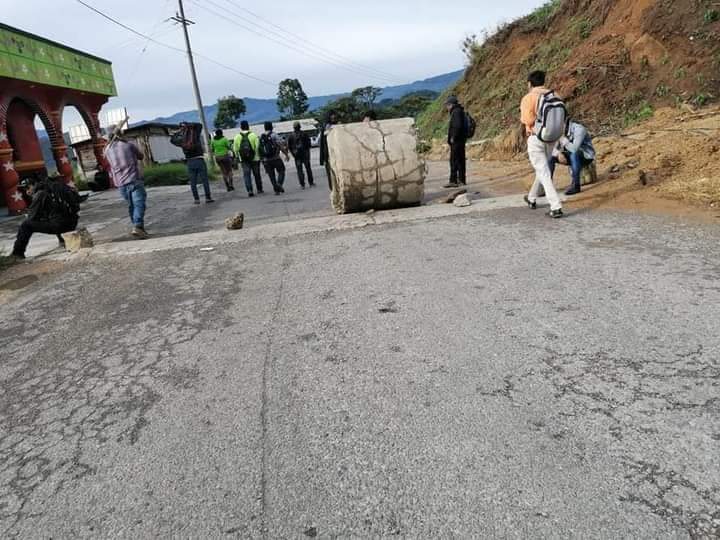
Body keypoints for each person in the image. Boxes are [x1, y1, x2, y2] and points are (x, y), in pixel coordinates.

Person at [521, 70, 564, 218]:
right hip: (552, 138)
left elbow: (527, 120)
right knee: (542, 169)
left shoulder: (529, 98)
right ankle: (532, 198)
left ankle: (555, 206)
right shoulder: (554, 95)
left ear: (530, 83)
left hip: (536, 137)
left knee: (543, 172)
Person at [11, 176, 79, 259]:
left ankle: (17, 254)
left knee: (25, 225)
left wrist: (28, 212)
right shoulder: (51, 188)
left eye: (27, 188)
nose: (27, 191)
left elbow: (31, 217)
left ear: (33, 185)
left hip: (61, 226)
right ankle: (63, 240)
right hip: (72, 223)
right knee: (54, 215)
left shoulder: (39, 194)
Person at [103, 124, 149, 239]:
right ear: (120, 133)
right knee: (139, 204)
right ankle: (138, 226)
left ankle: (138, 228)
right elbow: (141, 156)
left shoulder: (107, 150)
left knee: (132, 205)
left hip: (120, 184)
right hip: (134, 179)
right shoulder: (128, 145)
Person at [549, 119, 596, 196]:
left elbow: (574, 148)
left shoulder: (579, 129)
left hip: (586, 156)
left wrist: (562, 139)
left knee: (574, 154)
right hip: (570, 154)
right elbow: (551, 148)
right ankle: (547, 186)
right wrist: (558, 154)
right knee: (550, 157)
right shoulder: (559, 131)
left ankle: (576, 185)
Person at [176, 122, 214, 205]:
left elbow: (172, 140)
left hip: (189, 161)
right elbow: (199, 125)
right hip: (199, 160)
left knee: (193, 182)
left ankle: (196, 199)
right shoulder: (195, 135)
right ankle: (208, 198)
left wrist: (178, 131)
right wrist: (188, 124)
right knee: (204, 180)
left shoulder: (181, 139)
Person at [233, 120, 264, 197]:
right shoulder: (254, 135)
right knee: (257, 174)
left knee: (246, 175)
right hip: (255, 159)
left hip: (243, 160)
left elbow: (235, 149)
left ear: (241, 127)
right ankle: (259, 189)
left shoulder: (237, 137)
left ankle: (250, 190)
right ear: (248, 126)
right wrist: (256, 155)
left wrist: (238, 157)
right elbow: (257, 147)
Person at [259, 121, 289, 195]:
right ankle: (279, 185)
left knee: (271, 175)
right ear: (271, 127)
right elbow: (280, 145)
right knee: (281, 171)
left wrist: (262, 160)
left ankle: (276, 189)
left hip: (267, 160)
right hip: (276, 158)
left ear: (264, 128)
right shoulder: (274, 135)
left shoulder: (261, 137)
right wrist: (286, 154)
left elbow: (259, 149)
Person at [444, 96, 468, 188]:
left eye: (447, 105)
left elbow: (457, 126)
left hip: (457, 141)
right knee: (460, 160)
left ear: (451, 105)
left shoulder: (456, 112)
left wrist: (453, 137)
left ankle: (453, 181)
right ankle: (461, 180)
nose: (446, 107)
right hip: (460, 140)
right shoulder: (459, 111)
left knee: (454, 161)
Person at [287, 121, 315, 189]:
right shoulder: (304, 134)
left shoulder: (291, 136)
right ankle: (311, 183)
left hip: (297, 156)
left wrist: (293, 154)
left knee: (299, 170)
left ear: (293, 128)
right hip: (305, 154)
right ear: (300, 126)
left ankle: (302, 184)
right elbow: (309, 144)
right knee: (308, 168)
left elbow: (289, 146)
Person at [319, 110, 338, 190]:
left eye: (334, 115)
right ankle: (333, 190)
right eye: (331, 115)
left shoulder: (337, 126)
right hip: (329, 154)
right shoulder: (325, 127)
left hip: (337, 153)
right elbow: (322, 144)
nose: (333, 117)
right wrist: (322, 158)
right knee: (331, 174)